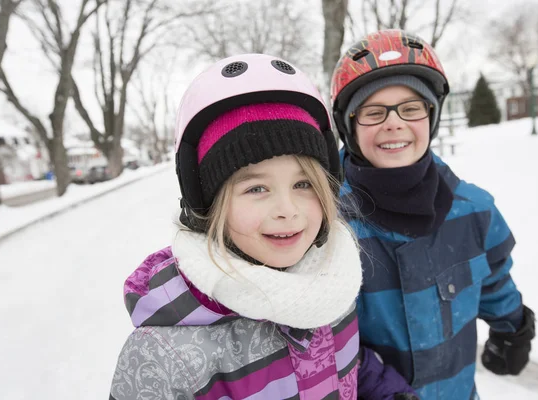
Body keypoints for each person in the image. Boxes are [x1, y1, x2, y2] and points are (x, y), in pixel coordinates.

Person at [109, 53, 418, 400]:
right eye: (256, 188)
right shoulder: (164, 357)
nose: (287, 210)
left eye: (304, 184)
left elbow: (342, 361)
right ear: (207, 206)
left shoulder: (331, 284)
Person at [329, 30, 536, 400]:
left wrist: (512, 328)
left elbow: (493, 279)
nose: (394, 123)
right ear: (349, 126)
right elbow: (317, 336)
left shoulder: (474, 210)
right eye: (374, 112)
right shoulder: (325, 227)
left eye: (410, 108)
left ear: (431, 117)